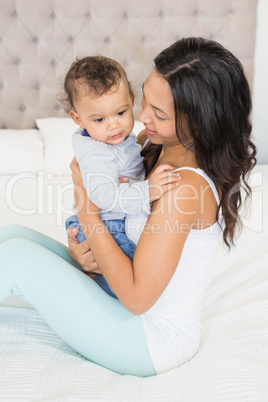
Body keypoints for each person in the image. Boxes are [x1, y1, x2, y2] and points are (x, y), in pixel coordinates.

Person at [0, 37, 256, 377]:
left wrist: (88, 212)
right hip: (121, 302)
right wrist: (85, 258)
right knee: (13, 236)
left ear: (198, 124)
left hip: (151, 338)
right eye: (144, 100)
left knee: (17, 258)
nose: (141, 116)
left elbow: (138, 298)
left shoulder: (184, 188)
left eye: (159, 113)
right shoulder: (151, 142)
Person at [63, 56, 181, 297]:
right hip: (110, 225)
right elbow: (103, 196)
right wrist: (147, 190)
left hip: (106, 221)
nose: (113, 126)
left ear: (131, 101)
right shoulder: (97, 153)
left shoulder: (132, 140)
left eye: (120, 112)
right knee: (119, 286)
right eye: (99, 119)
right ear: (78, 119)